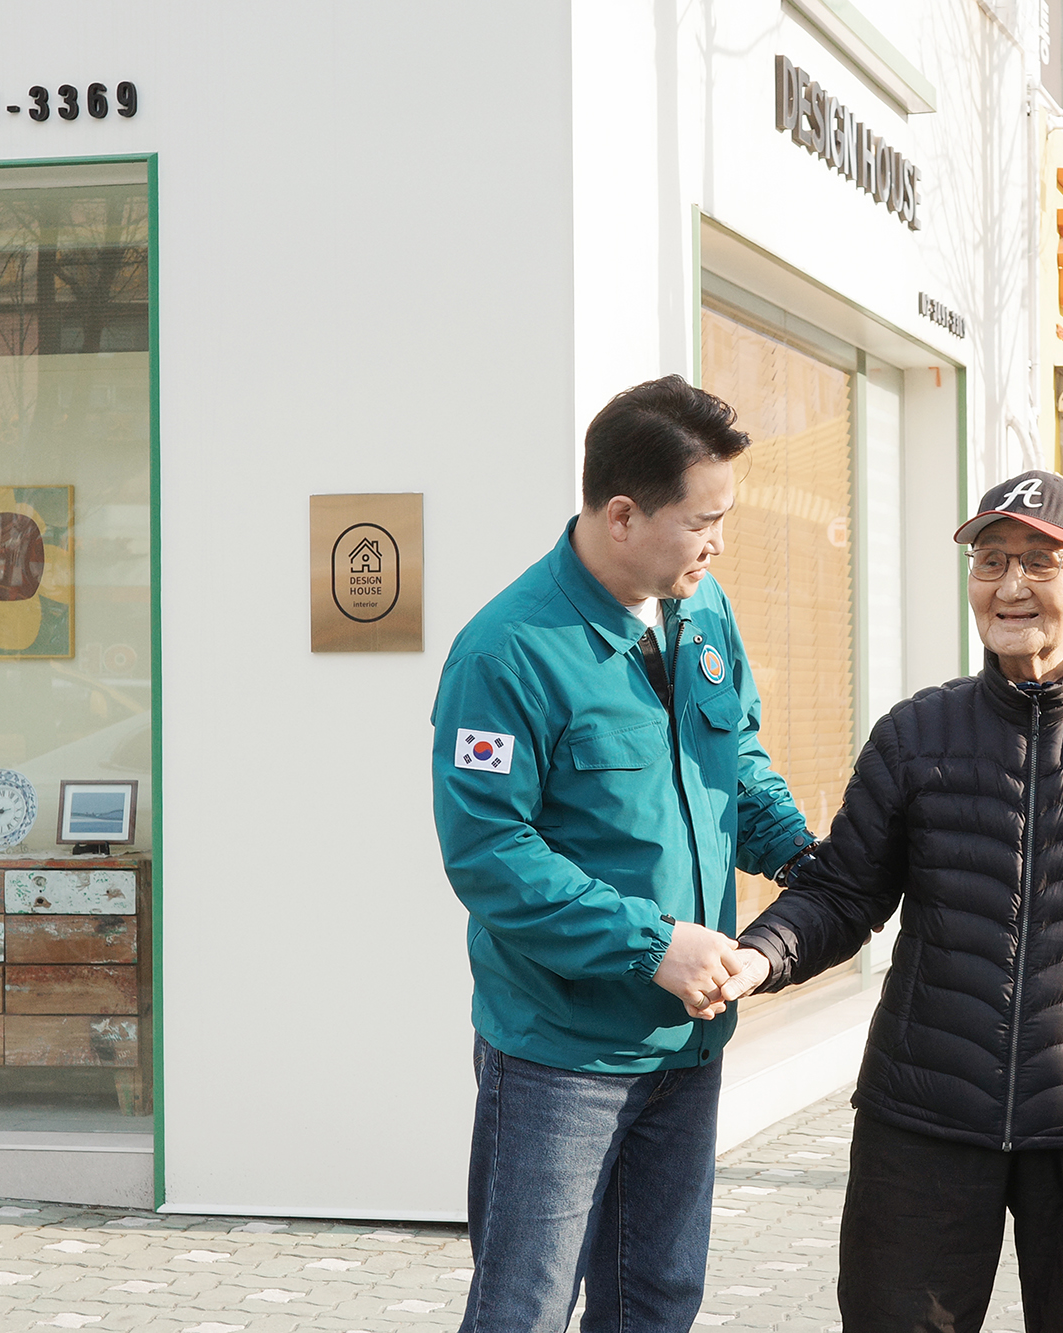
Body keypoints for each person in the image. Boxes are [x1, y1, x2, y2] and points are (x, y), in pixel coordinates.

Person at [716, 470, 1063, 1333]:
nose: (1010, 585)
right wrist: (761, 953)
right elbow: (844, 889)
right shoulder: (919, 732)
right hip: (923, 1115)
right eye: (990, 561)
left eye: (1040, 561)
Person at [431, 375, 817, 1333]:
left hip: (688, 1040)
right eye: (703, 520)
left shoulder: (703, 609)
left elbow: (737, 759)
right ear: (620, 514)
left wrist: (802, 856)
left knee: (655, 1301)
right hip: (560, 1054)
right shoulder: (508, 651)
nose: (718, 542)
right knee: (524, 1304)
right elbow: (488, 850)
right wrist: (653, 944)